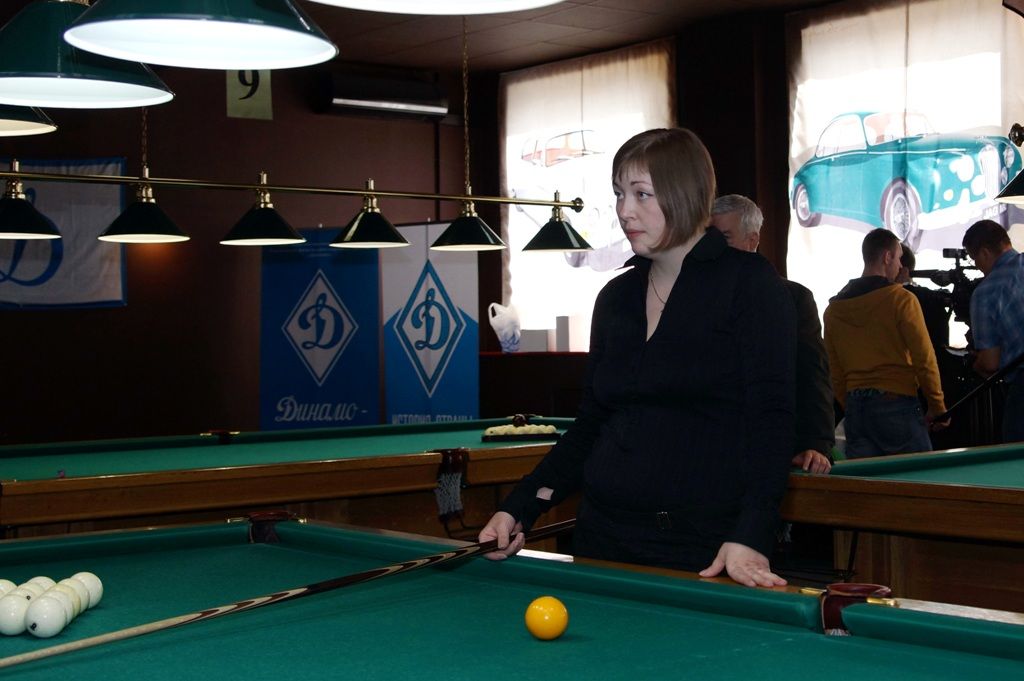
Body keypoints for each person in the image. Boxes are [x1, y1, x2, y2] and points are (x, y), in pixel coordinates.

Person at [479, 128, 797, 587]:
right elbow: (591, 425)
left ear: (685, 194)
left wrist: (751, 533)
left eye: (641, 194)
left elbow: (772, 422)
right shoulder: (615, 297)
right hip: (602, 536)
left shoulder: (750, 286)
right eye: (619, 194)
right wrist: (519, 507)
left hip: (704, 547)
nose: (624, 210)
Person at [712, 194, 833, 474]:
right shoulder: (691, 296)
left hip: (767, 450)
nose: (715, 247)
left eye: (725, 237)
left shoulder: (793, 298)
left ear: (752, 240)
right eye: (710, 237)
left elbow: (811, 373)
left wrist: (814, 443)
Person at [823, 229, 947, 458]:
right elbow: (924, 357)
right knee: (919, 475)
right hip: (896, 403)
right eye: (899, 258)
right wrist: (937, 406)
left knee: (868, 479)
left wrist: (850, 403)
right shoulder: (901, 300)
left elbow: (834, 369)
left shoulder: (833, 310)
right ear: (887, 257)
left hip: (856, 408)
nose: (901, 266)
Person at [962, 219, 1024, 442]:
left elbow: (990, 363)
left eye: (974, 258)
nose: (977, 266)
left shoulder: (985, 292)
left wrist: (975, 364)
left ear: (985, 253)